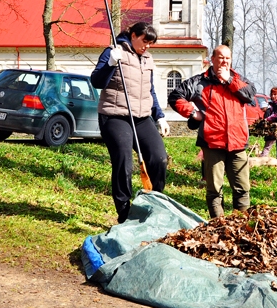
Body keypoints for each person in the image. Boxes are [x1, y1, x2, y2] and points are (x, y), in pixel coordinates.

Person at [91, 22, 170, 224]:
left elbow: (150, 90)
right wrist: (110, 63)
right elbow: (96, 82)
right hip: (115, 116)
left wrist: (160, 116)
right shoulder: (113, 52)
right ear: (133, 35)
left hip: (142, 117)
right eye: (145, 41)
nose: (147, 46)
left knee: (159, 158)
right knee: (124, 162)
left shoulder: (147, 59)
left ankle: (154, 204)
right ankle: (124, 212)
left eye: (151, 43)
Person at [169, 45, 257, 218]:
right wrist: (193, 113)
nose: (224, 61)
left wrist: (229, 80)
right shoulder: (200, 82)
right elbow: (175, 96)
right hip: (212, 142)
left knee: (242, 188)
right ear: (213, 59)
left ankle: (241, 226)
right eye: (221, 57)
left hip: (238, 142)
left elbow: (250, 94)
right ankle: (218, 226)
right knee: (215, 189)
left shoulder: (238, 79)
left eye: (228, 58)